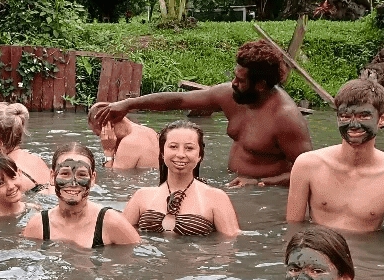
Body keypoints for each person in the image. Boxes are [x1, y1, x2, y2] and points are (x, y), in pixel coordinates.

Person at [94, 40, 312, 186]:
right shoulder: (230, 95)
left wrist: (261, 183)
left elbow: (308, 171)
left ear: (261, 85)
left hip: (264, 195)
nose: (233, 83)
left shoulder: (285, 119)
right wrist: (128, 104)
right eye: (235, 76)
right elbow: (178, 100)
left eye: (241, 80)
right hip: (232, 183)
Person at [286, 79, 384, 232]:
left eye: (363, 116)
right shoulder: (307, 165)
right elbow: (292, 229)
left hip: (366, 255)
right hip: (318, 252)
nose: (354, 125)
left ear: (382, 118)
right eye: (345, 116)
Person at [122, 120, 240, 236]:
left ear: (200, 155)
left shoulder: (217, 198)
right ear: (162, 153)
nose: (180, 155)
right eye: (173, 147)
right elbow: (119, 237)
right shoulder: (141, 196)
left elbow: (230, 246)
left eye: (189, 148)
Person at [22, 143, 140, 248]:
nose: (73, 183)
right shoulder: (38, 225)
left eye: (82, 174)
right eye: (65, 173)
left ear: (93, 179)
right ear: (52, 177)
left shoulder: (112, 223)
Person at [87, 102, 158, 169]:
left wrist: (108, 151)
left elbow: (111, 177)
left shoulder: (128, 143)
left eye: (99, 134)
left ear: (108, 126)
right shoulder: (149, 131)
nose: (102, 139)